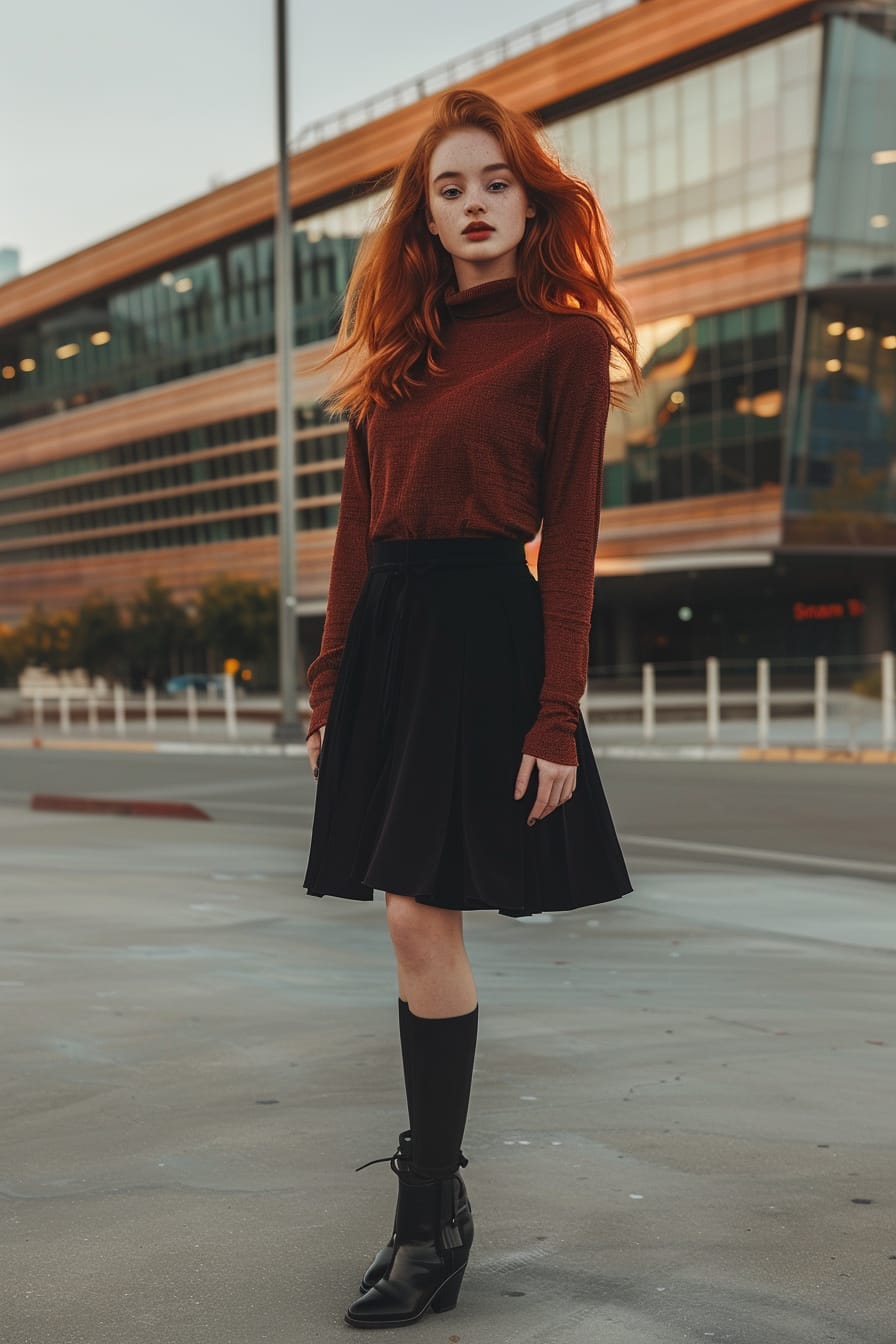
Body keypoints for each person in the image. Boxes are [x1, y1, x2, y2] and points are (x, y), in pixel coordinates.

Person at [301, 87, 640, 1330]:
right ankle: (434, 1213)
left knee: (410, 916)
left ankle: (423, 1214)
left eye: (492, 181)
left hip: (484, 635)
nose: (473, 204)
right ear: (423, 218)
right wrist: (329, 680)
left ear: (527, 196)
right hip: (389, 638)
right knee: (407, 918)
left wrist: (556, 713)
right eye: (449, 188)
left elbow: (573, 545)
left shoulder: (560, 344)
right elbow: (353, 533)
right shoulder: (393, 355)